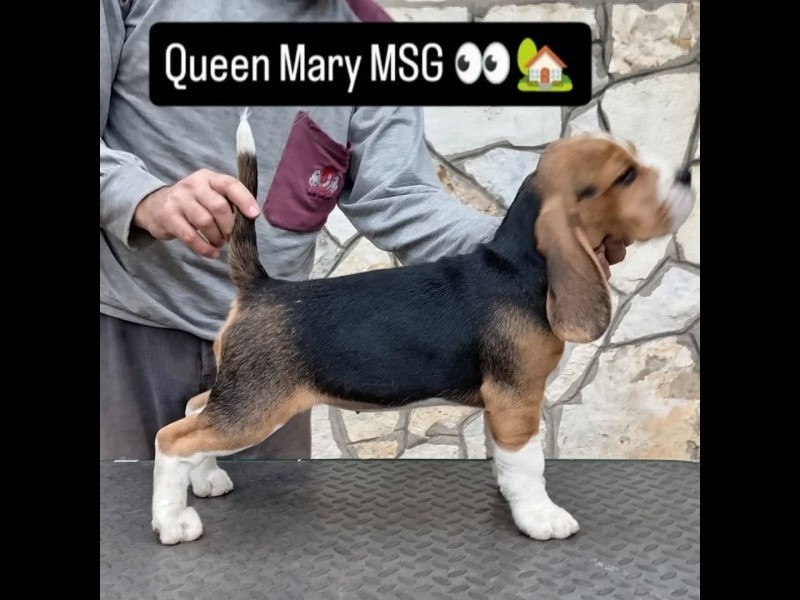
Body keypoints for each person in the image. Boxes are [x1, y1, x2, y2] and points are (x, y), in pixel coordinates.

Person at [100, 0, 504, 460]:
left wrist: (524, 242)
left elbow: (400, 197)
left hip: (279, 346)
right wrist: (146, 198)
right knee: (124, 505)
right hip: (127, 334)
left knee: (278, 509)